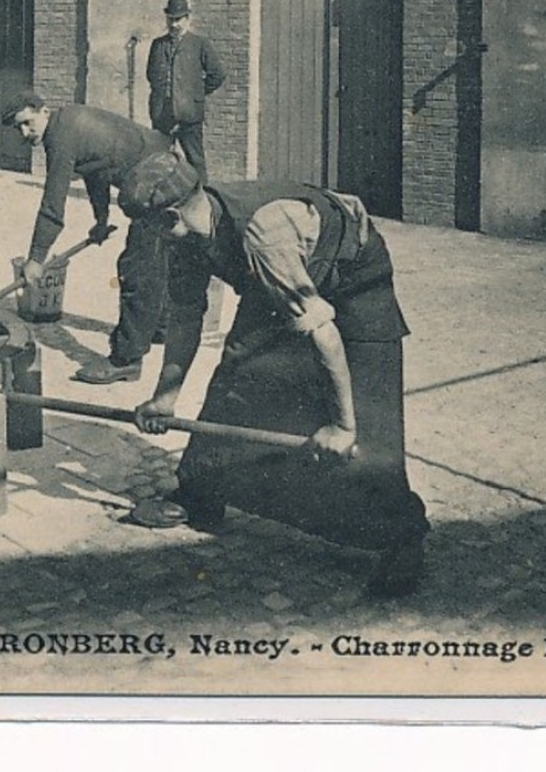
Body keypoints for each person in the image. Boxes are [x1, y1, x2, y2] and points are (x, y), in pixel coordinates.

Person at [121, 151, 429, 598]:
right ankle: (201, 494)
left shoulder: (263, 235)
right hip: (293, 270)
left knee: (367, 419)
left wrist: (342, 425)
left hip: (354, 276)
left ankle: (403, 539)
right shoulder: (184, 237)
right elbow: (187, 317)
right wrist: (165, 396)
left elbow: (322, 333)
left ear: (169, 217)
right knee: (240, 374)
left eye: (144, 228)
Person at [2, 91, 179, 385]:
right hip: (162, 170)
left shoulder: (59, 137)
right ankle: (158, 327)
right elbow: (96, 169)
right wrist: (101, 220)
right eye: (17, 128)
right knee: (156, 258)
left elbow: (52, 204)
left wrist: (36, 258)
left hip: (159, 180)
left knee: (136, 268)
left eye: (27, 123)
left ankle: (126, 360)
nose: (24, 133)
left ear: (43, 111)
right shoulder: (68, 123)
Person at [145, 0, 224, 181]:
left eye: (178, 20)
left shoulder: (199, 44)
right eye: (170, 19)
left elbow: (218, 74)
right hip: (162, 113)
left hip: (189, 114)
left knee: (195, 160)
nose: (174, 25)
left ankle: (204, 200)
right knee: (160, 160)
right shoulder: (158, 44)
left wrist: (195, 94)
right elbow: (150, 75)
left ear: (187, 19)